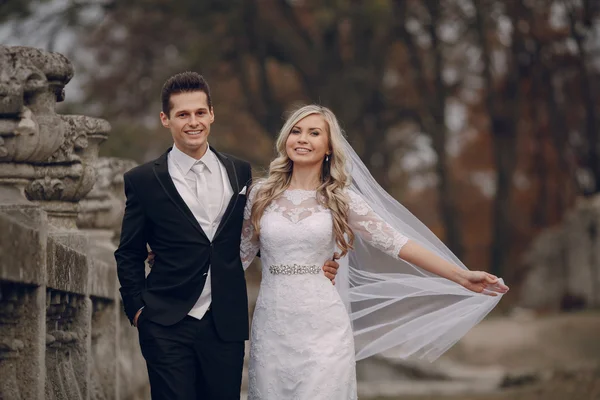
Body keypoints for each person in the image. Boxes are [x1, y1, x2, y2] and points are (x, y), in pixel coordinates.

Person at [240, 104, 509, 399]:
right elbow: (238, 256)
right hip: (271, 327)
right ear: (285, 139)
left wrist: (461, 275)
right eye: (296, 131)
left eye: (314, 133)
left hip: (323, 326)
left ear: (329, 147)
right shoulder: (259, 194)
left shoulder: (342, 200)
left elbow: (398, 242)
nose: (302, 139)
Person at [114, 73, 339, 400]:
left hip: (224, 325)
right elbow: (129, 251)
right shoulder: (143, 179)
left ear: (211, 114)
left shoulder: (240, 171)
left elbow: (256, 236)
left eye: (200, 113)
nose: (193, 122)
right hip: (165, 322)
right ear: (166, 119)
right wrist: (137, 310)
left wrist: (312, 260)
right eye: (183, 114)